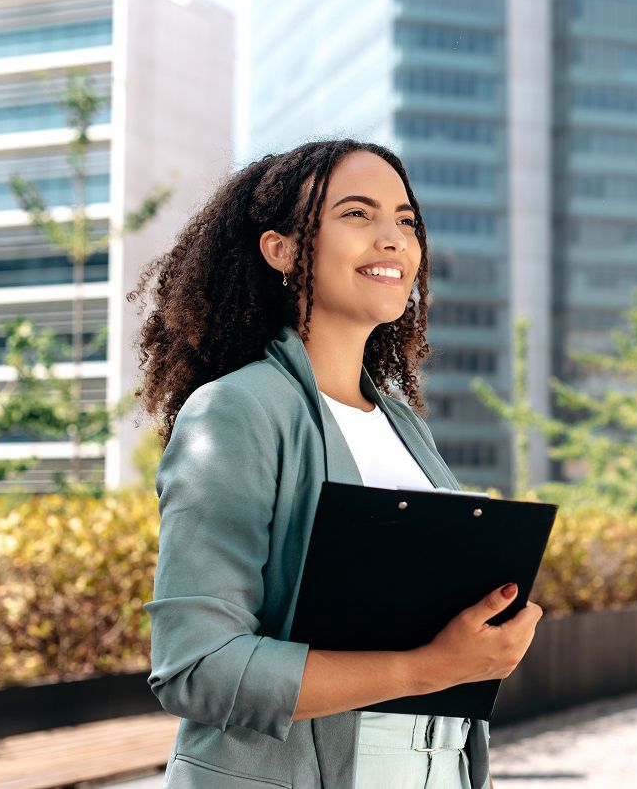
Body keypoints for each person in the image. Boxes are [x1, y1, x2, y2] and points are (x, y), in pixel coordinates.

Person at [128, 139, 542, 788]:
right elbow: (195, 665)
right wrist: (426, 669)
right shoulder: (237, 411)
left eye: (406, 221)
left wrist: (491, 636)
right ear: (283, 250)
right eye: (358, 214)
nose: (394, 239)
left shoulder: (405, 427)